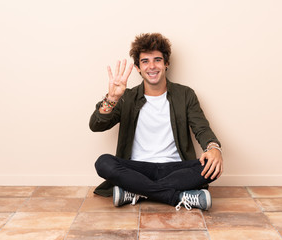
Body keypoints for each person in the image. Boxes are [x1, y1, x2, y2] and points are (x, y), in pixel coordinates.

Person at [89, 33, 223, 211]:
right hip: (137, 169)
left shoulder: (185, 95)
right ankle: (177, 196)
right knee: (103, 163)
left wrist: (214, 147)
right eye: (145, 61)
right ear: (137, 67)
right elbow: (96, 125)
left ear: (166, 63)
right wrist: (112, 98)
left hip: (175, 168)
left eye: (157, 60)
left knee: (211, 165)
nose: (152, 66)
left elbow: (202, 128)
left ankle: (136, 191)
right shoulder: (126, 97)